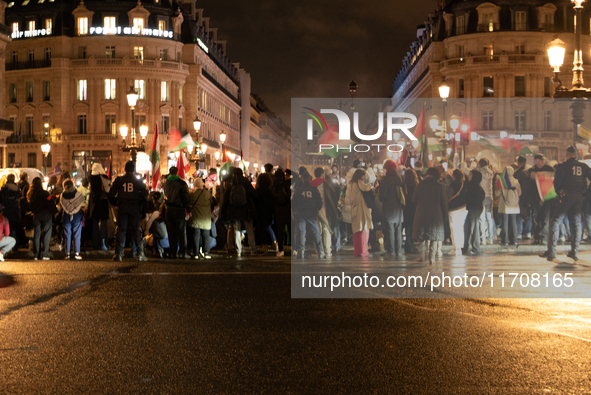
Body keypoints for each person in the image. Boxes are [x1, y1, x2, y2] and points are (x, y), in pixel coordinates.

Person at [541, 146, 591, 261]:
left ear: (567, 154)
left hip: (566, 195)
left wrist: (559, 192)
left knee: (555, 221)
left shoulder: (563, 166)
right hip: (578, 196)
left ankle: (552, 251)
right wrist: (586, 193)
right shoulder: (583, 167)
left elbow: (557, 182)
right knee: (576, 223)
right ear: (576, 155)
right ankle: (574, 252)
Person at [108, 161, 148, 261]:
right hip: (134, 207)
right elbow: (144, 197)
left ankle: (118, 254)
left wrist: (116, 202)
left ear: (125, 169)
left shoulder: (119, 180)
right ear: (133, 169)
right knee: (137, 230)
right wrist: (143, 211)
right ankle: (140, 254)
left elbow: (110, 194)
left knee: (121, 230)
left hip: (123, 207)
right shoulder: (138, 181)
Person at [221, 167, 260, 257]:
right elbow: (255, 194)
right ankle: (253, 249)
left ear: (233, 174)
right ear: (242, 173)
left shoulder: (230, 183)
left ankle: (238, 250)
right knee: (249, 230)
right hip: (246, 210)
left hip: (234, 210)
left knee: (237, 230)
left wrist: (224, 213)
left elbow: (226, 199)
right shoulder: (245, 182)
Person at [413, 167, 448, 265]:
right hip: (436, 213)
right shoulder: (440, 186)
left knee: (422, 235)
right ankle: (431, 258)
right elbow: (444, 202)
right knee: (434, 236)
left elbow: (414, 199)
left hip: (422, 212)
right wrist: (445, 215)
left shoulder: (421, 185)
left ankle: (422, 255)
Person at [291, 169, 325, 258]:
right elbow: (319, 202)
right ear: (309, 178)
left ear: (302, 178)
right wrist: (317, 209)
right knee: (316, 233)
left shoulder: (298, 190)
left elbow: (293, 202)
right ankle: (321, 252)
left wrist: (295, 210)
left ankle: (301, 252)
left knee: (301, 233)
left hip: (301, 214)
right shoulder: (314, 189)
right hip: (311, 214)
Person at [162, 166, 191, 259]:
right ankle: (182, 252)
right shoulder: (182, 183)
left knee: (171, 232)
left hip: (169, 209)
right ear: (177, 172)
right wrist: (189, 209)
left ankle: (172, 252)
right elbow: (185, 198)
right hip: (179, 209)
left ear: (170, 173)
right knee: (181, 232)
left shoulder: (166, 183)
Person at [379, 160, 405, 257]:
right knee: (398, 228)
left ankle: (391, 250)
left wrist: (381, 198)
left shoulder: (386, 179)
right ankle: (398, 250)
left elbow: (383, 195)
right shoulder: (400, 178)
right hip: (398, 206)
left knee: (389, 228)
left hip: (389, 206)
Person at [311, 167, 339, 258]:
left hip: (315, 211)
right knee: (326, 230)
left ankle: (318, 249)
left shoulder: (311, 184)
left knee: (317, 231)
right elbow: (333, 196)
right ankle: (328, 250)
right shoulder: (326, 184)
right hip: (325, 210)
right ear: (322, 174)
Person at [529, 154, 555, 245]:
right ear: (536, 160)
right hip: (535, 198)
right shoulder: (532, 170)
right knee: (535, 218)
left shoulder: (549, 169)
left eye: (543, 160)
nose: (543, 161)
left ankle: (544, 237)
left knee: (545, 218)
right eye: (541, 160)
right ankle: (536, 237)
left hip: (547, 197)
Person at [27, 177, 54, 260]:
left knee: (37, 234)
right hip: (46, 214)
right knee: (47, 233)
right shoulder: (45, 193)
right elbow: (51, 201)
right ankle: (45, 254)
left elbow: (30, 206)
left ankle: (36, 254)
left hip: (36, 215)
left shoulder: (30, 194)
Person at [348, 169, 373, 257]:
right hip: (361, 208)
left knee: (356, 231)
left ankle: (357, 251)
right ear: (360, 176)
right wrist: (371, 186)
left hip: (354, 208)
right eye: (363, 176)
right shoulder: (359, 182)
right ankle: (363, 250)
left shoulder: (350, 184)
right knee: (364, 229)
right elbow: (365, 188)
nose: (364, 178)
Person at [496, 166, 522, 246]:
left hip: (505, 204)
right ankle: (514, 240)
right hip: (514, 205)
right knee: (513, 222)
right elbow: (520, 193)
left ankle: (505, 241)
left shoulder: (502, 181)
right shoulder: (516, 182)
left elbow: (497, 193)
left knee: (505, 222)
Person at [60, 179, 85, 260]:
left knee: (67, 234)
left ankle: (67, 254)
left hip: (66, 216)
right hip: (77, 216)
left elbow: (62, 204)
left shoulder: (62, 195)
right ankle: (77, 253)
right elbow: (81, 200)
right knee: (77, 234)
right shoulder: (78, 194)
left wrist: (69, 210)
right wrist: (75, 209)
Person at [188, 178, 213, 259]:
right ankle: (206, 253)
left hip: (196, 218)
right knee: (206, 235)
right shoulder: (207, 193)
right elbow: (212, 202)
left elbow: (188, 203)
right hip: (206, 218)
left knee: (196, 235)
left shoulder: (192, 194)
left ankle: (196, 253)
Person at [89, 163, 111, 251]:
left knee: (94, 223)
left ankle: (95, 243)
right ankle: (104, 242)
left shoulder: (91, 178)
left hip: (94, 203)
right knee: (104, 224)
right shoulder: (105, 177)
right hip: (103, 202)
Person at [255, 172, 278, 254]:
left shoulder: (259, 191)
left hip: (261, 211)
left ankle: (264, 246)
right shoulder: (271, 190)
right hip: (270, 211)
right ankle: (274, 243)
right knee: (268, 227)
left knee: (263, 228)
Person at [464, 170, 485, 254]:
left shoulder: (476, 188)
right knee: (468, 227)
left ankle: (475, 247)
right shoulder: (472, 186)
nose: (468, 176)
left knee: (474, 227)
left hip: (474, 208)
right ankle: (467, 247)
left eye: (470, 175)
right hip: (471, 208)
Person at [447, 169, 468, 256]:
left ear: (454, 176)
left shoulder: (453, 184)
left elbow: (449, 195)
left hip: (453, 208)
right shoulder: (464, 184)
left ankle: (455, 248)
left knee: (454, 228)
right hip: (463, 207)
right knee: (460, 228)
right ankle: (459, 248)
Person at [271, 169, 291, 257]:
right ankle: (294, 249)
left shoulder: (272, 185)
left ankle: (281, 250)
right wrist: (287, 170)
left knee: (280, 232)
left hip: (278, 211)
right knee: (290, 230)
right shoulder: (286, 183)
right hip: (287, 209)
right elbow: (297, 177)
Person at [476, 158, 495, 246]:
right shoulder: (491, 172)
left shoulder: (478, 172)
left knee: (481, 219)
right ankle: (490, 238)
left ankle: (483, 238)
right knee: (489, 218)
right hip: (489, 196)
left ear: (480, 164)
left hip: (481, 196)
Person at [513, 156, 531, 240]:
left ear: (519, 163)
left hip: (520, 196)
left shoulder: (517, 173)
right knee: (528, 214)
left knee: (519, 215)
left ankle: (519, 233)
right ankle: (528, 232)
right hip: (528, 196)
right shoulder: (529, 172)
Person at [1, 174, 21, 248]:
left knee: (4, 227)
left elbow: (1, 198)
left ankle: (5, 244)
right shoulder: (17, 188)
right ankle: (14, 245)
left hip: (6, 210)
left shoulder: (4, 187)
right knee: (13, 228)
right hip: (15, 211)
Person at [403, 168, 419, 254]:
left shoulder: (404, 185)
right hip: (415, 209)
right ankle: (413, 246)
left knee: (407, 228)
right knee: (413, 228)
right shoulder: (417, 185)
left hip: (406, 208)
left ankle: (408, 247)